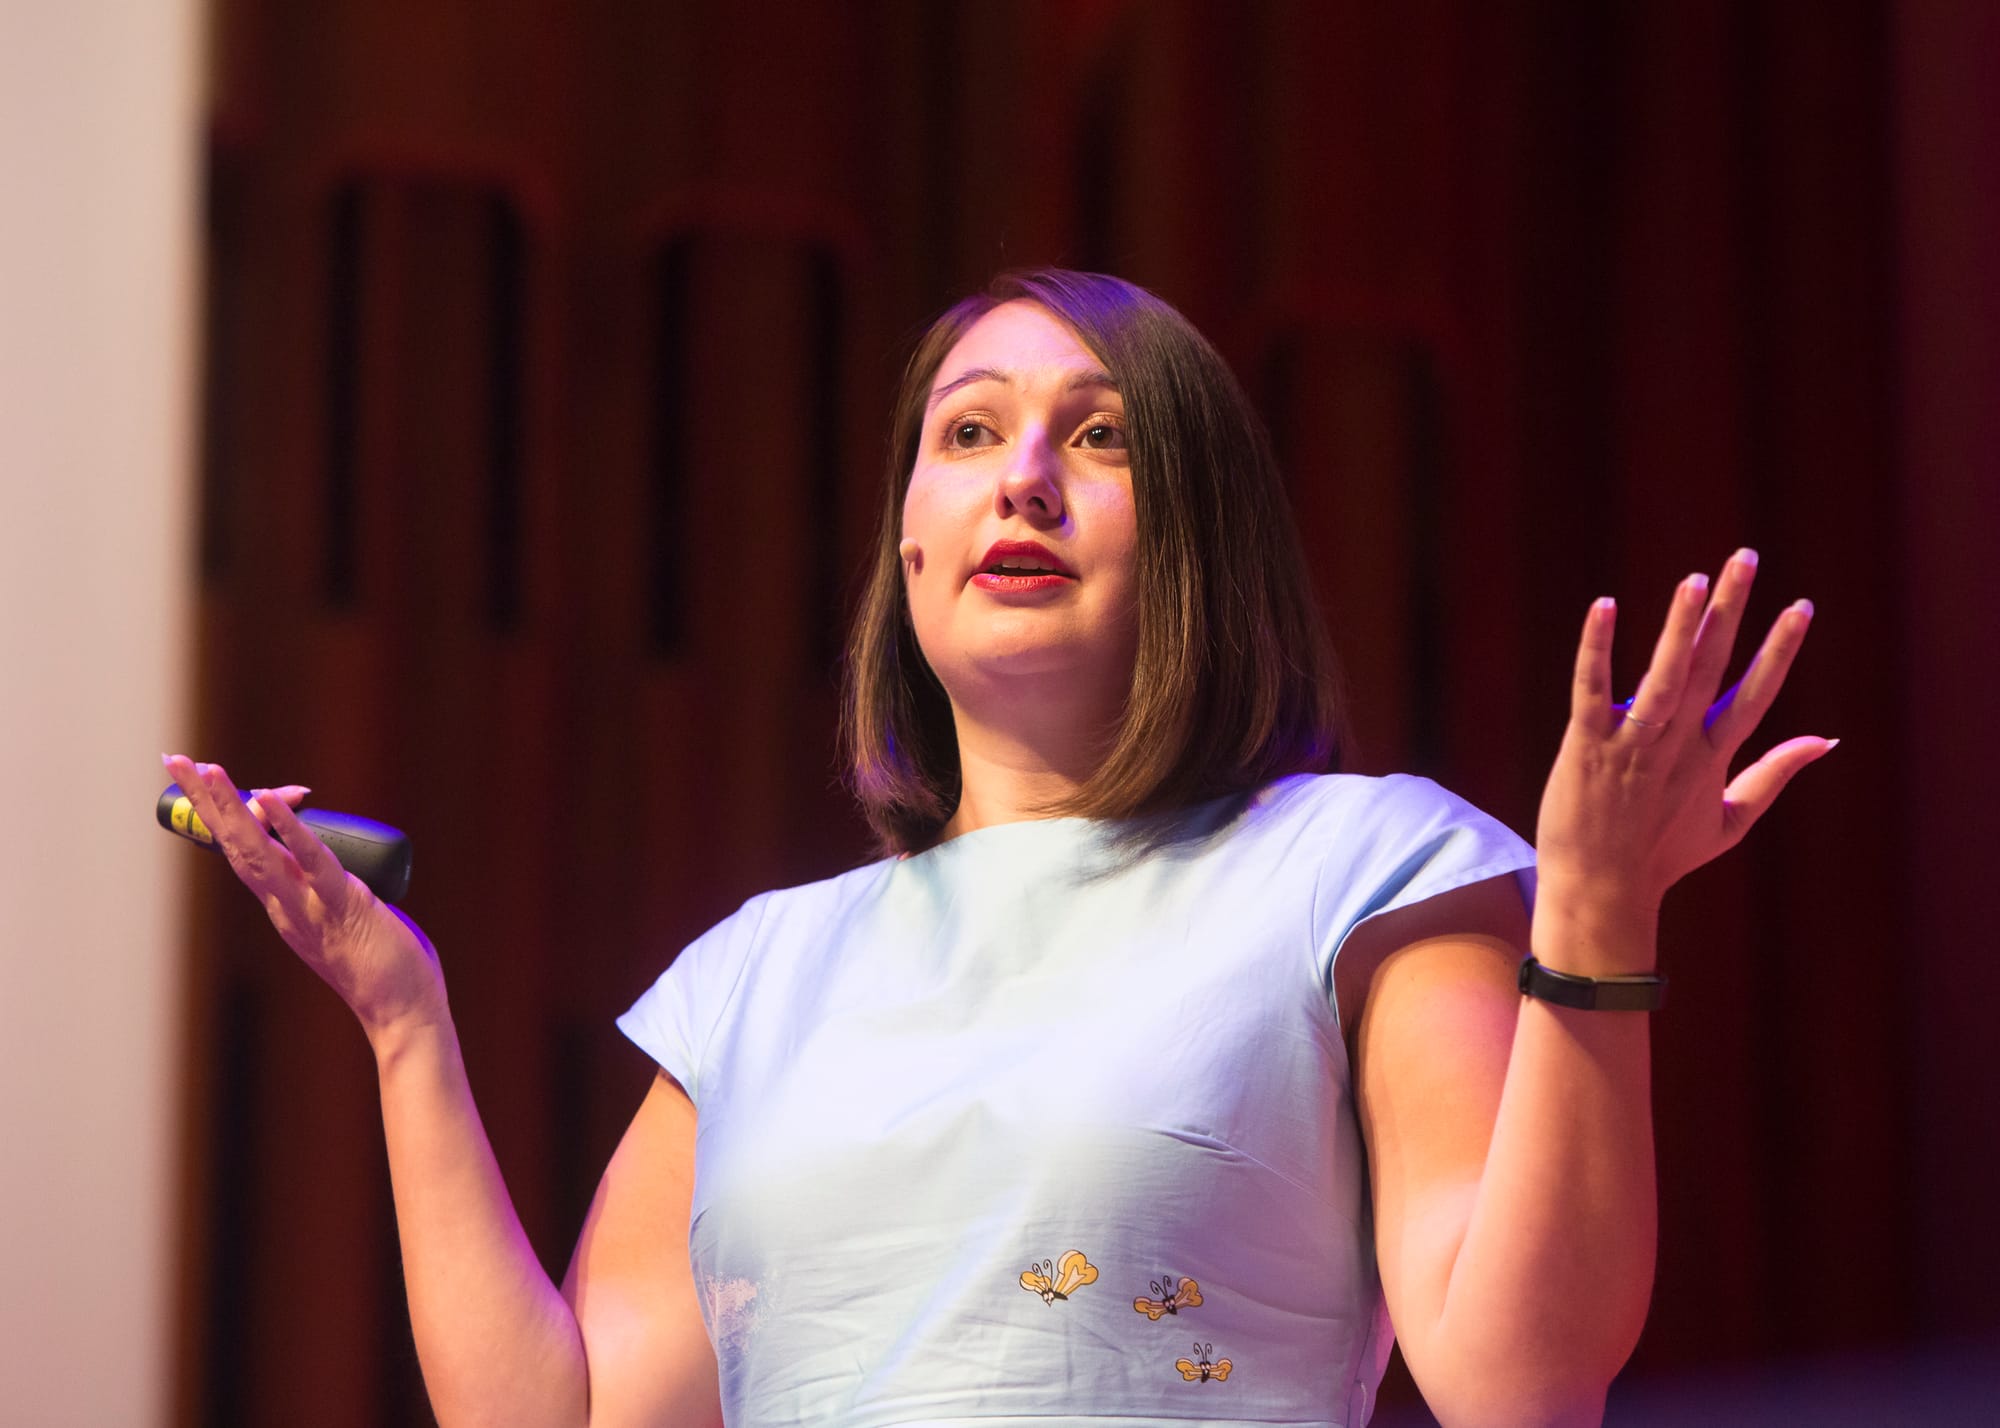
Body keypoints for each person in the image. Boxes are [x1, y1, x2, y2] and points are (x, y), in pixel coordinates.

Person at [165, 267, 1830, 1428]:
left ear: (1199, 538)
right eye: (968, 434)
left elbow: (1519, 1383)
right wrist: (404, 1026)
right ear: (907, 540)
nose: (1022, 477)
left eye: (1100, 437)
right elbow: (573, 1419)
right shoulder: (757, 971)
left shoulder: (1360, 867)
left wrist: (1593, 923)